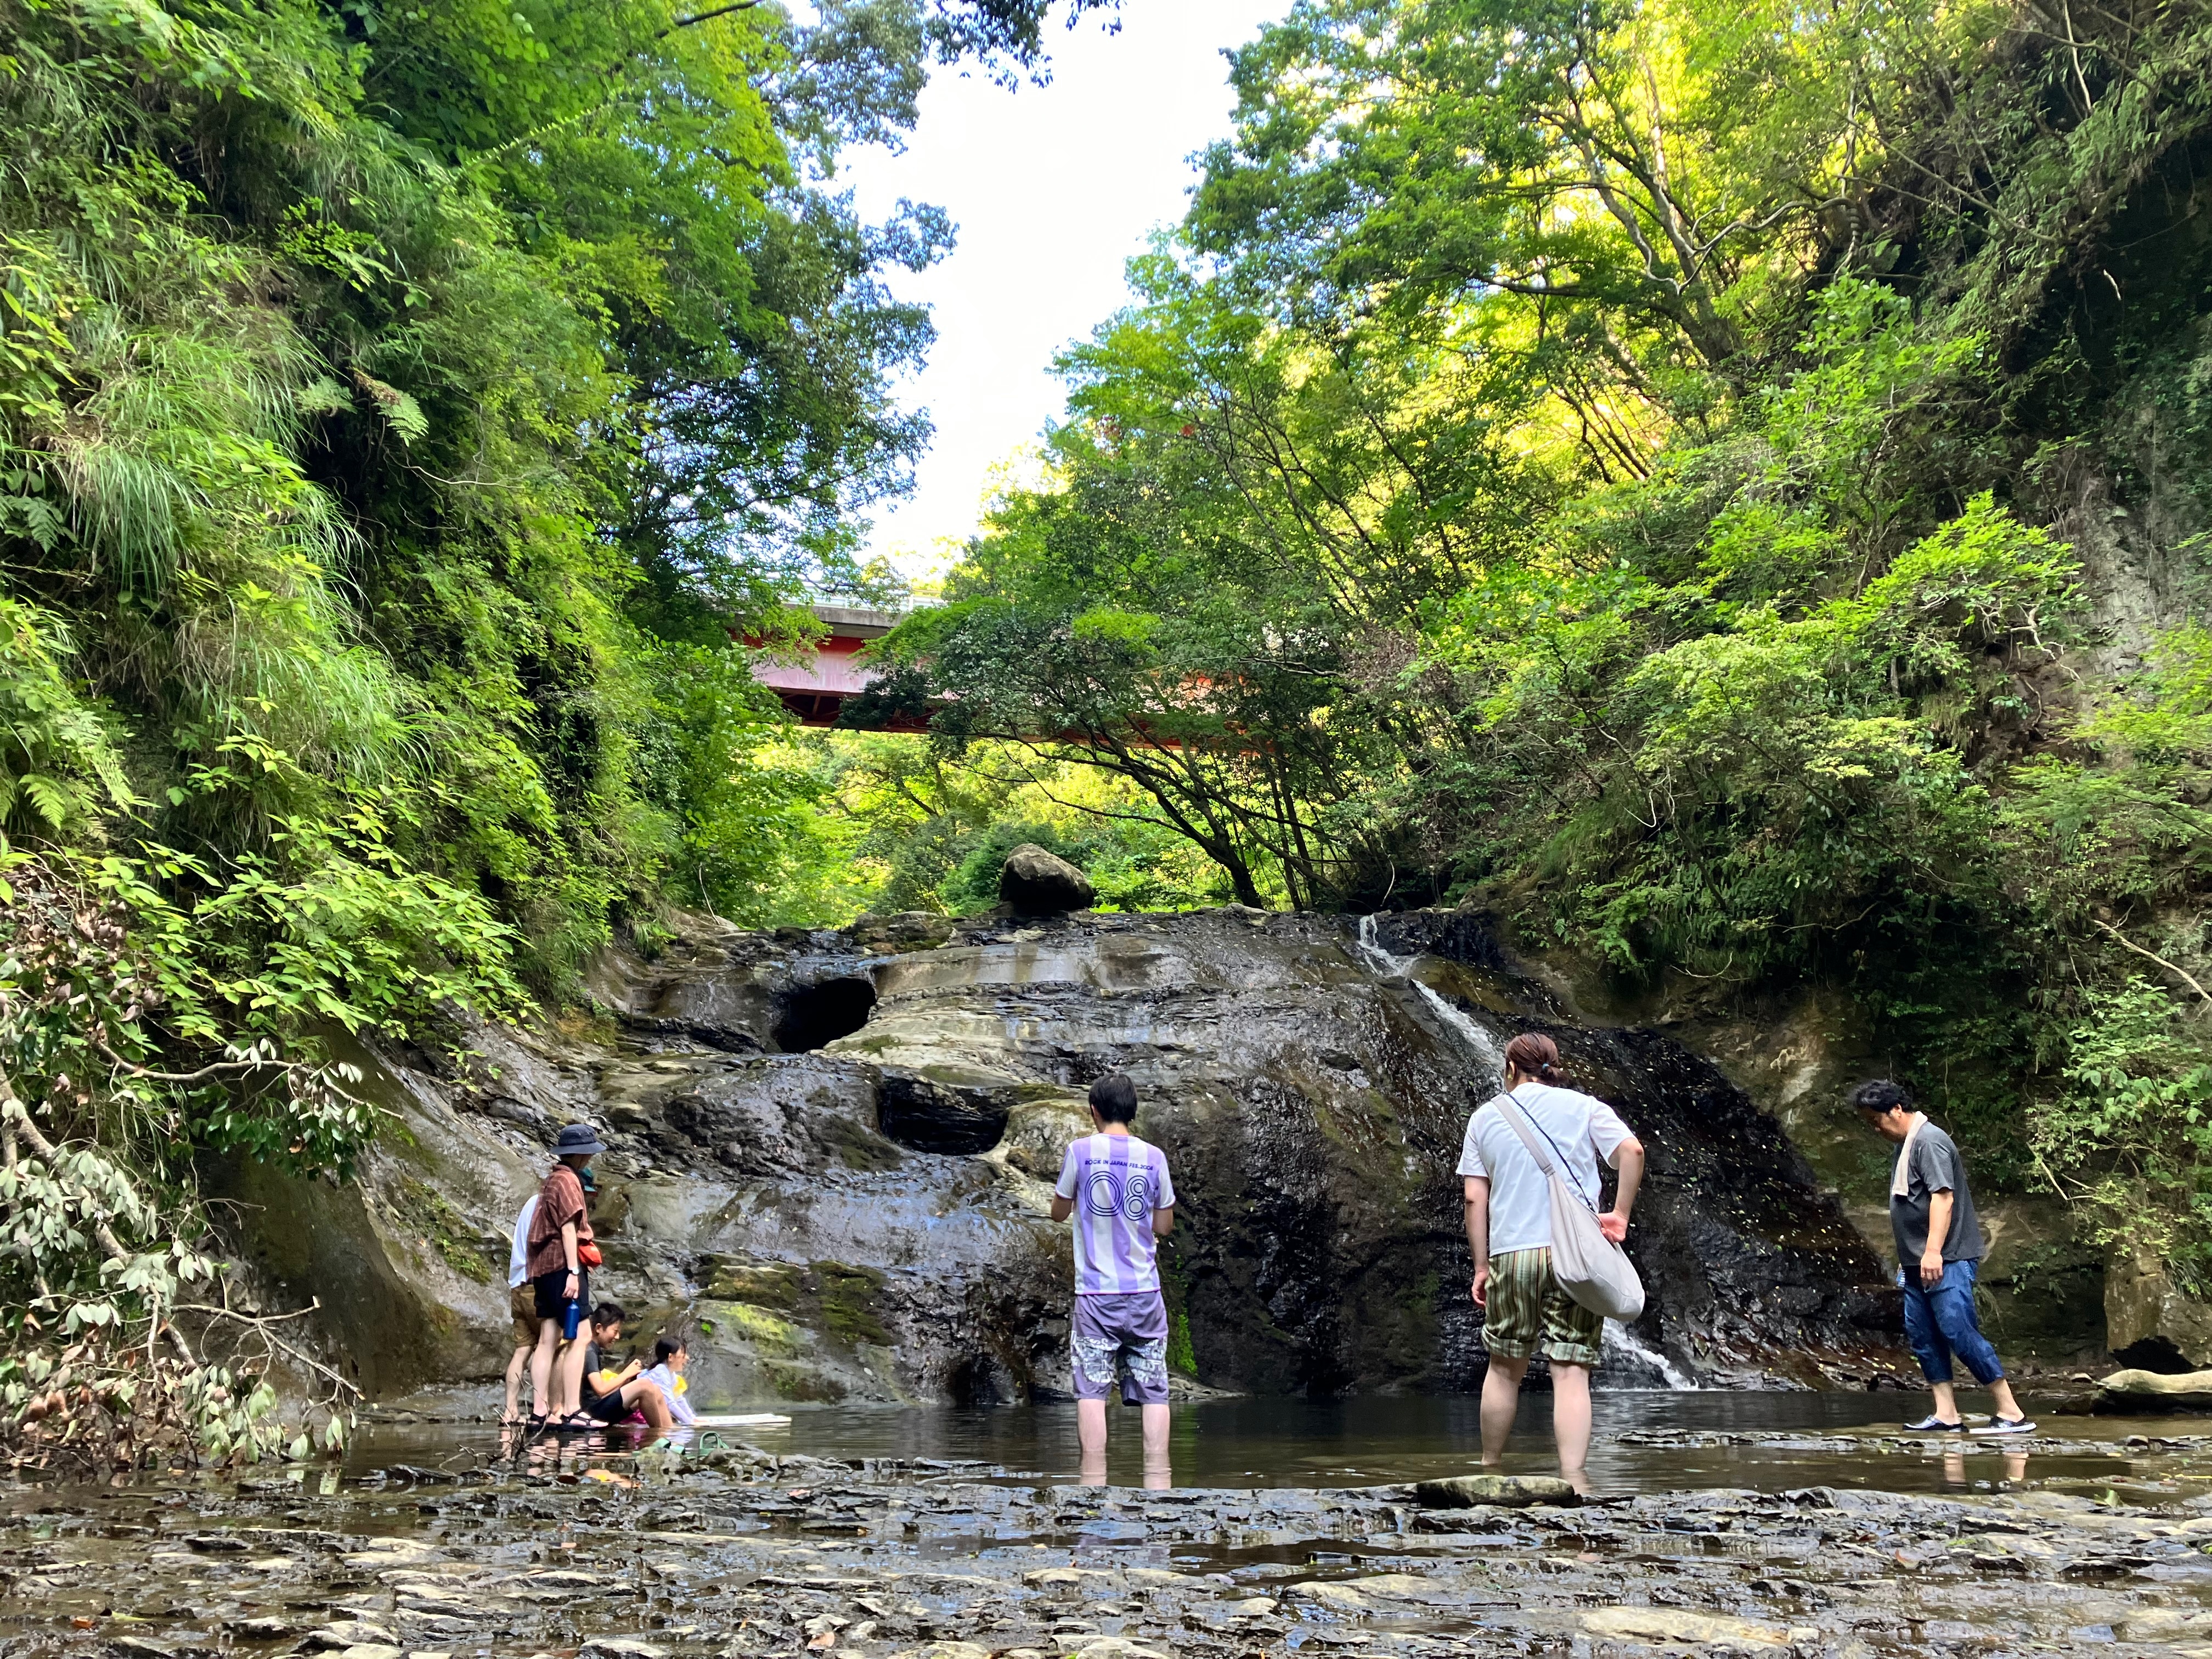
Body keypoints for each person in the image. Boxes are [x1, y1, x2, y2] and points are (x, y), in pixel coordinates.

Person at [1460, 1032, 1645, 1492]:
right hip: (1574, 1255)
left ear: (1510, 1068)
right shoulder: (1583, 1107)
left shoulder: (1486, 1118)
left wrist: (1482, 1267)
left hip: (1512, 1254)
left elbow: (1472, 1197)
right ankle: (1574, 1481)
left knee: (1504, 1368)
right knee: (1570, 1371)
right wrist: (1620, 1216)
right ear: (1553, 1066)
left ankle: (1488, 1471)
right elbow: (1632, 1152)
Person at [1850, 1080, 2035, 1435]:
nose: (1875, 1128)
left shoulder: (1929, 1141)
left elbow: (1943, 1198)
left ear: (1897, 1111)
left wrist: (1933, 1251)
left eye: (1876, 1120)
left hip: (1945, 1258)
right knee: (1923, 1335)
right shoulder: (1906, 1145)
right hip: (1917, 1262)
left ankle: (2011, 1412)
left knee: (1958, 1331)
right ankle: (1947, 1414)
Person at [1049, 1072, 1177, 1489]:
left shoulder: (1080, 1152)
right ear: (1133, 1111)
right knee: (1154, 1388)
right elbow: (1164, 1226)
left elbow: (1058, 1212)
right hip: (1145, 1293)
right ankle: (1159, 1482)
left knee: (1092, 1388)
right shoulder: (1154, 1157)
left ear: (1095, 1112)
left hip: (1096, 1296)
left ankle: (1093, 1482)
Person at [524, 1122, 606, 1432]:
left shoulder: (551, 1180)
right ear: (582, 1156)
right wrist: (574, 1271)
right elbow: (569, 1229)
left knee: (547, 1339)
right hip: (562, 1266)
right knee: (581, 1337)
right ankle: (572, 1409)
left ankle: (539, 1412)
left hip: (543, 1269)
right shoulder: (569, 1182)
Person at [501, 1190, 541, 1426]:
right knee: (552, 1346)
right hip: (536, 1285)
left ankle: (510, 1410)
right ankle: (545, 1410)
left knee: (523, 1349)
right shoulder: (548, 1205)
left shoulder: (530, 1203)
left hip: (517, 1284)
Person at [638, 1333, 698, 1427]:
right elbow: (670, 1404)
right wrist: (690, 1423)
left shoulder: (670, 1373)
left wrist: (693, 1418)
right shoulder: (661, 1372)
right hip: (639, 1415)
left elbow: (679, 1399)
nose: (687, 1358)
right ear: (671, 1357)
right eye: (683, 1354)